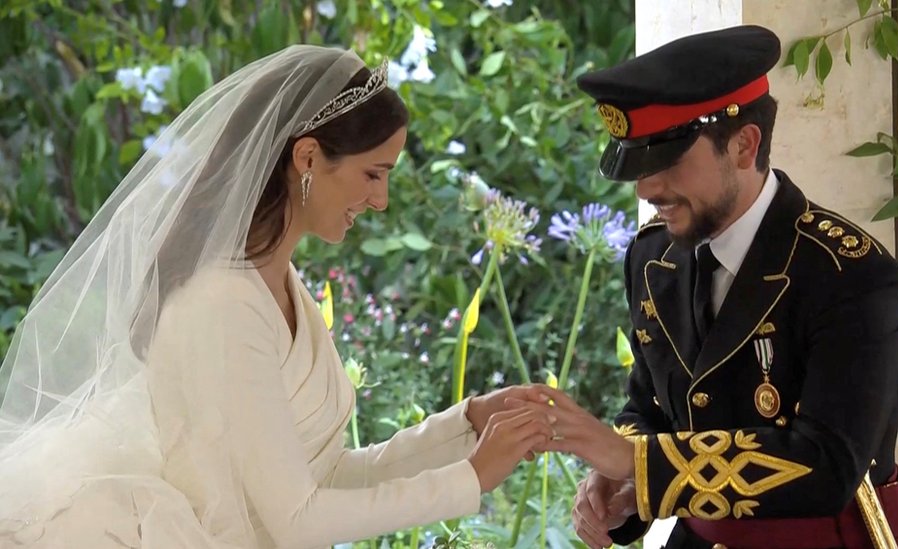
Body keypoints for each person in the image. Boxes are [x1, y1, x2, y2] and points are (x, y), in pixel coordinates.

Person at [0, 45, 554, 548]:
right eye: (373, 173)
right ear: (308, 157)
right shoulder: (222, 304)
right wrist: (472, 478)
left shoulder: (278, 285)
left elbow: (328, 474)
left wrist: (468, 425)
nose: (381, 199)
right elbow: (299, 520)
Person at [526, 25, 898, 548]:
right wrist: (620, 484)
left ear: (744, 145)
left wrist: (639, 465)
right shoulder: (653, 258)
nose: (645, 189)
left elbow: (828, 465)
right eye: (639, 165)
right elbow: (649, 407)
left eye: (666, 163)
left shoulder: (850, 274)